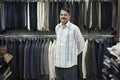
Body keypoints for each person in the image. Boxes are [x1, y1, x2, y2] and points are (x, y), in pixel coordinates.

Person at [55, 7, 85, 80]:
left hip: (70, 65)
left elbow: (82, 44)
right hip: (58, 64)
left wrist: (73, 54)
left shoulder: (74, 28)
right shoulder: (57, 27)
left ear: (69, 16)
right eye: (61, 15)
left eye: (65, 15)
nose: (63, 16)